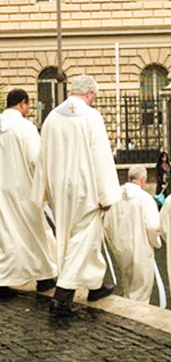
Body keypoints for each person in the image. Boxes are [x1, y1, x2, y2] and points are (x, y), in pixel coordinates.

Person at [32, 74, 121, 316]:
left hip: (61, 191)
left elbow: (43, 157)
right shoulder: (91, 117)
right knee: (83, 240)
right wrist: (106, 196)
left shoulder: (51, 117)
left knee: (77, 240)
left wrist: (42, 191)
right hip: (87, 190)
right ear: (90, 93)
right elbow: (100, 157)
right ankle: (62, 296)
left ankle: (95, 286)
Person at [0, 89, 57, 300]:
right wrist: (44, 188)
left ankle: (0, 280)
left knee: (3, 235)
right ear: (23, 104)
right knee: (35, 232)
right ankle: (45, 276)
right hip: (22, 191)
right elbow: (36, 160)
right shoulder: (25, 128)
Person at [104, 165, 162, 303]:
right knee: (141, 291)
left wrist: (114, 245)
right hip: (140, 249)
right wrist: (155, 243)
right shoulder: (146, 199)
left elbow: (106, 226)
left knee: (127, 286)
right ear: (143, 180)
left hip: (121, 249)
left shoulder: (114, 197)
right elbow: (153, 226)